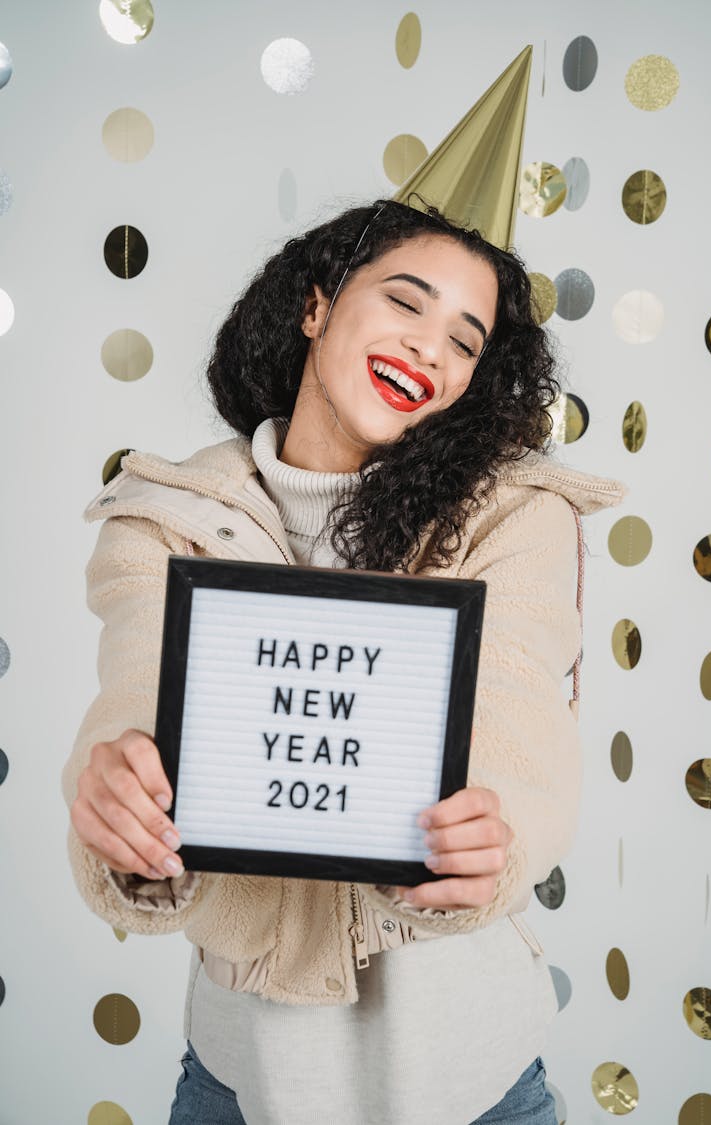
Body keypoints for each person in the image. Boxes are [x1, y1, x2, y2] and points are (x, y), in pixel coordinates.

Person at [62, 198, 623, 1124]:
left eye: (464, 341)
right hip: (239, 1080)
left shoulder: (518, 517)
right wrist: (126, 807)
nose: (429, 349)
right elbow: (133, 691)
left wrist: (495, 836)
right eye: (406, 302)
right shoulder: (164, 515)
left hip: (476, 1083)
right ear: (316, 306)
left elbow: (522, 726)